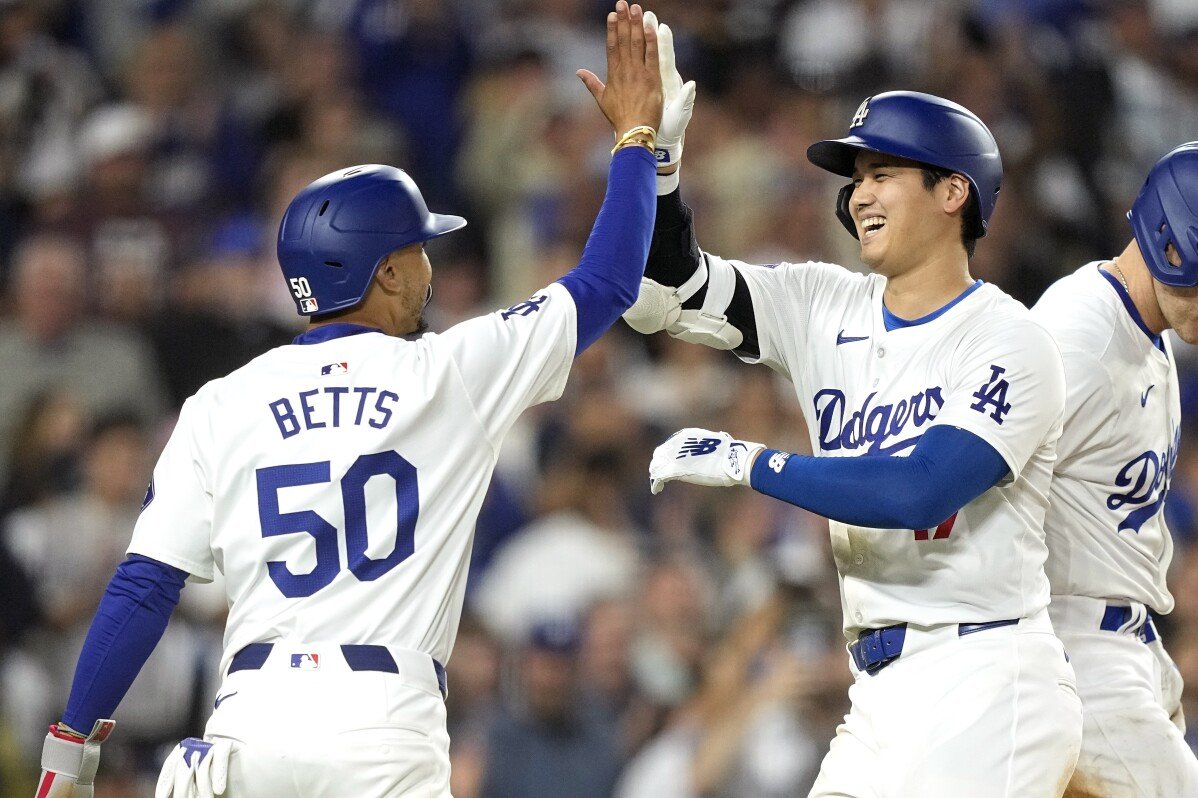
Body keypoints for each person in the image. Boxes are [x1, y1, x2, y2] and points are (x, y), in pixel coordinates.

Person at [33, 3, 662, 796]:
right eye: (418, 250)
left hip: (250, 723)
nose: (430, 266)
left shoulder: (222, 401)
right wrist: (639, 141)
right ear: (385, 272)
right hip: (382, 725)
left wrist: (71, 741)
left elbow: (144, 588)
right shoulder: (451, 371)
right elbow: (606, 280)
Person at [625, 29, 1082, 796]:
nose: (859, 193)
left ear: (953, 191)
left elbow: (920, 491)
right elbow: (667, 290)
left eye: (882, 171)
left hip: (986, 676)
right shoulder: (818, 302)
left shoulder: (1013, 340)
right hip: (877, 692)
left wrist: (752, 464)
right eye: (856, 178)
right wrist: (659, 168)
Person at [1030, 142, 1198, 797]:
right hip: (1075, 648)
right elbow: (979, 485)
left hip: (1128, 647)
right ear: (1170, 244)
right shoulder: (1081, 335)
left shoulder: (1148, 341)